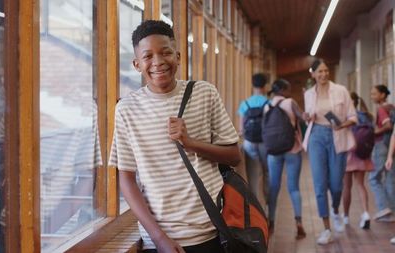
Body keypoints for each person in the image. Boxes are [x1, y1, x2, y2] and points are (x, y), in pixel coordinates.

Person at [109, 20, 241, 253]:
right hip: (161, 240)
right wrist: (159, 238)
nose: (158, 62)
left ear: (178, 56)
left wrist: (190, 143)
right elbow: (126, 179)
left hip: (213, 229)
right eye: (148, 56)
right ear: (137, 64)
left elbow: (233, 155)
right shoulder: (126, 109)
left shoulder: (204, 93)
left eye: (165, 52)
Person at [302, 59, 357, 245]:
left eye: (326, 71)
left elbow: (353, 117)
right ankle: (326, 228)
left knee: (336, 185)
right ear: (313, 74)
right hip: (316, 136)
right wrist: (306, 117)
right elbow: (307, 116)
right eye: (320, 72)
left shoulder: (341, 90)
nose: (324, 74)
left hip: (337, 137)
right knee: (319, 185)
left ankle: (335, 209)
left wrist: (342, 125)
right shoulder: (309, 94)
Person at [263, 79, 306, 239]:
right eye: (288, 89)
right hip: (292, 149)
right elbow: (304, 118)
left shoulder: (267, 106)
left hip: (273, 151)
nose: (290, 92)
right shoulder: (290, 102)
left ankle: (271, 221)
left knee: (274, 188)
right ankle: (299, 222)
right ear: (282, 90)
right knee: (294, 187)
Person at [341, 92, 373, 229]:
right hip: (362, 154)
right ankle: (366, 213)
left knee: (347, 187)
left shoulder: (345, 117)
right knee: (360, 185)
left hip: (348, 153)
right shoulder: (366, 116)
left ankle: (346, 217)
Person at [238, 73, 269, 205]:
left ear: (252, 85)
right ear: (265, 86)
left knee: (252, 177)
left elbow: (241, 128)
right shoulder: (269, 103)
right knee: (266, 173)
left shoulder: (245, 103)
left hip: (249, 143)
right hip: (265, 143)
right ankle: (267, 201)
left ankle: (254, 206)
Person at [370, 85, 395, 222]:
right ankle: (392, 209)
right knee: (390, 178)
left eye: (374, 94)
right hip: (392, 146)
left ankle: (383, 208)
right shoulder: (392, 107)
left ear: (382, 95)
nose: (372, 96)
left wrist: (374, 132)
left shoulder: (381, 109)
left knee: (373, 178)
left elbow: (388, 126)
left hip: (381, 145)